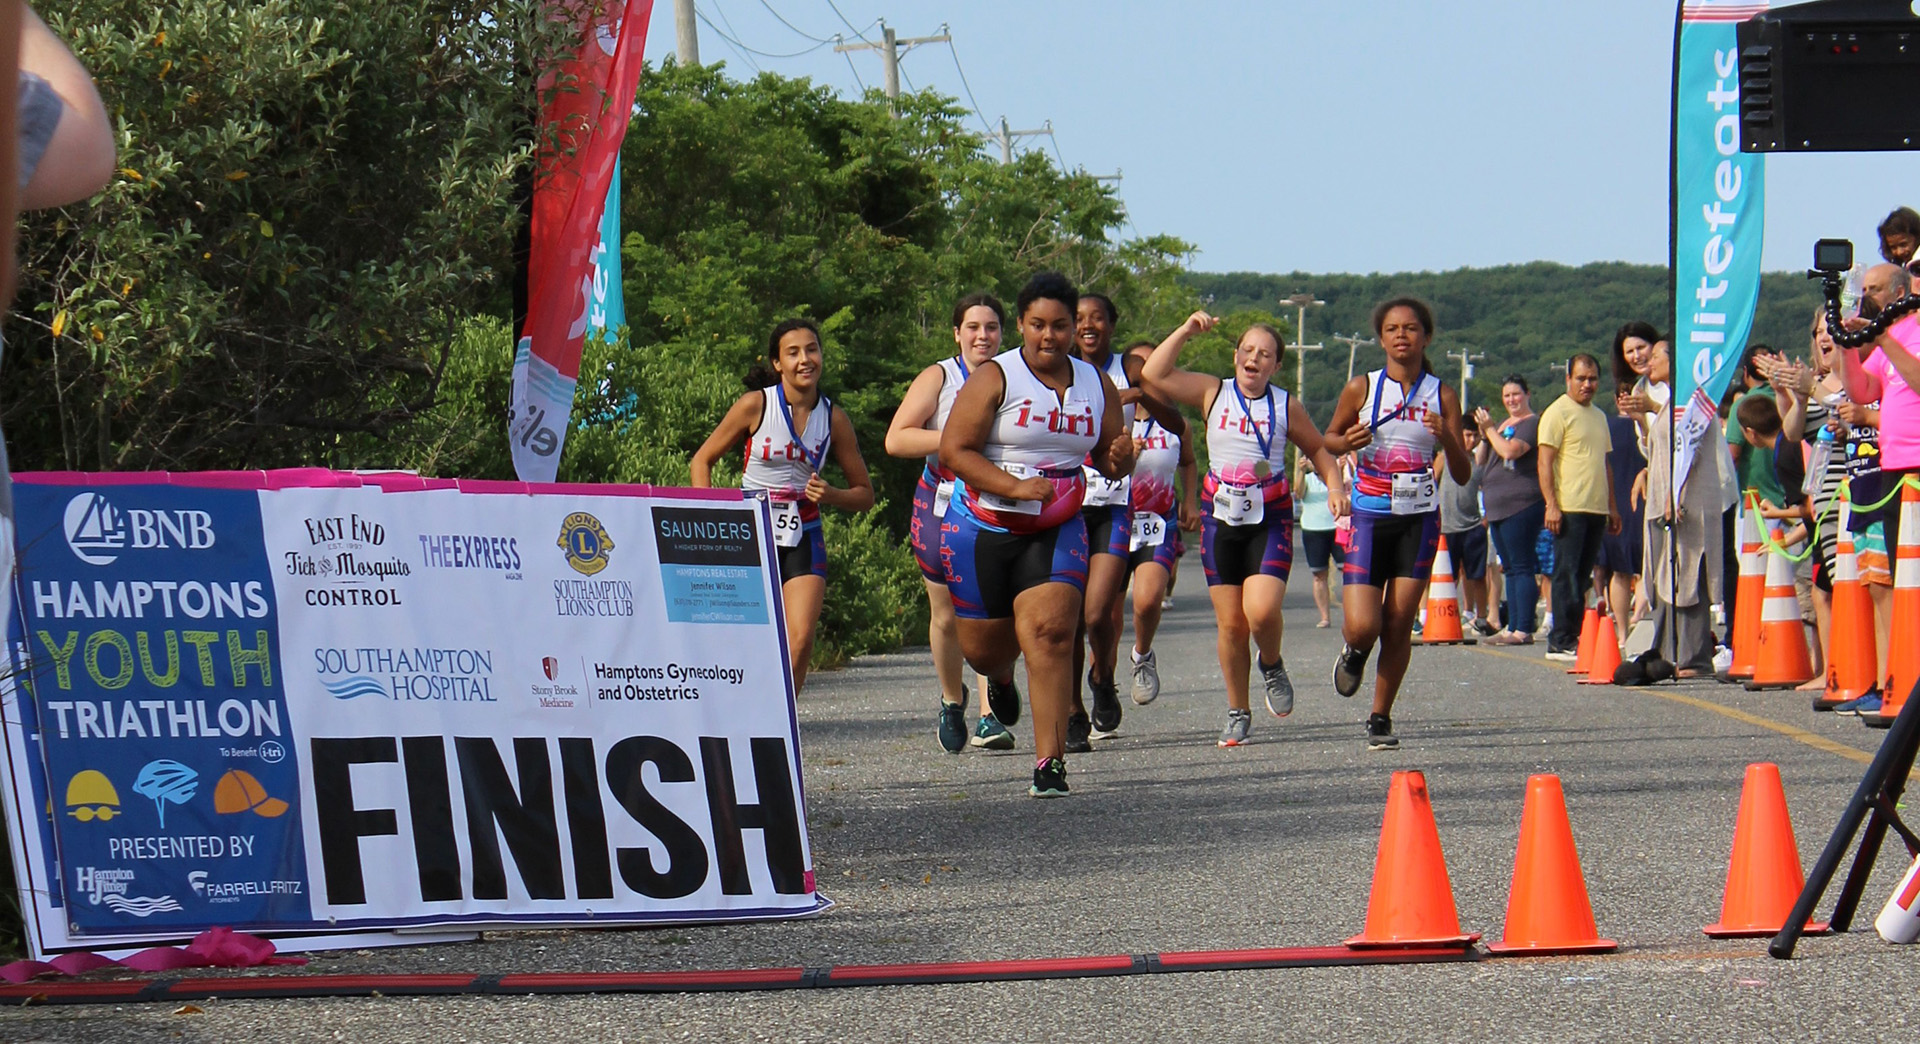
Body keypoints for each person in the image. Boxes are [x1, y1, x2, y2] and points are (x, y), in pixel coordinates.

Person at [939, 271, 1133, 797]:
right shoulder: (995, 377)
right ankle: (1001, 679)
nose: (1049, 336)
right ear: (1022, 324)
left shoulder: (1096, 383)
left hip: (1059, 520)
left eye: (1061, 326)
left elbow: (1110, 457)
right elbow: (954, 451)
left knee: (1051, 634)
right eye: (1037, 325)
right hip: (982, 523)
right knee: (984, 652)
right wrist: (1014, 486)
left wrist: (1119, 458)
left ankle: (1050, 763)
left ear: (1075, 327)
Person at [1143, 311, 1344, 746]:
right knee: (1231, 626)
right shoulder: (1214, 392)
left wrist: (1335, 486)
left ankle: (1270, 662)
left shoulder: (1284, 404)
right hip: (1222, 519)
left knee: (1262, 611)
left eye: (1265, 354)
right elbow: (1153, 373)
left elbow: (1319, 450)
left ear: (1275, 366)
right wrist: (1185, 331)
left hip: (1268, 519)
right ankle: (1238, 711)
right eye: (1248, 351)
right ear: (1236, 357)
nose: (1255, 359)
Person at [691, 318, 874, 693]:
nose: (805, 360)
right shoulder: (755, 405)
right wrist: (710, 514)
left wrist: (832, 494)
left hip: (803, 531)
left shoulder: (834, 418)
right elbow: (701, 460)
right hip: (749, 531)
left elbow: (864, 494)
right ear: (777, 363)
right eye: (793, 353)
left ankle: (783, 724)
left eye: (812, 350)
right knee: (744, 642)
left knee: (801, 639)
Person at [1322, 298, 1470, 750]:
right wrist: (1345, 440)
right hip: (1369, 515)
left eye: (1410, 328)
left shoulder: (1442, 393)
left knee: (1400, 620)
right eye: (1392, 329)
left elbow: (1462, 473)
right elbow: (1326, 440)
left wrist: (1446, 436)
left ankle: (1380, 716)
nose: (1401, 336)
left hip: (1419, 519)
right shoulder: (1361, 388)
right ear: (1381, 337)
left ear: (1426, 336)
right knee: (1363, 624)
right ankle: (1355, 650)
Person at [885, 292, 1025, 752]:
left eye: (991, 327)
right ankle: (951, 699)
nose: (982, 336)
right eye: (973, 327)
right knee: (946, 613)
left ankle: (990, 715)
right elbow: (897, 439)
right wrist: (955, 437)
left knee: (988, 606)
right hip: (941, 499)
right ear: (957, 333)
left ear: (1004, 333)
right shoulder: (939, 377)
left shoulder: (1016, 377)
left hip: (992, 502)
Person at [1066, 293, 1161, 748]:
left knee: (1099, 611)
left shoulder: (1132, 368)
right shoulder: (1056, 370)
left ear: (1111, 325)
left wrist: (1139, 393)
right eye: (1078, 319)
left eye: (1096, 318)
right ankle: (1071, 711)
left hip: (1112, 501)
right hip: (1064, 500)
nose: (1087, 326)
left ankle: (1102, 675)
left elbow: (1172, 416)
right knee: (1066, 614)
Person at [1633, 340, 1725, 676]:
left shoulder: (1692, 401)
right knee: (1664, 577)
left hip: (1687, 500)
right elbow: (1657, 448)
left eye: (1656, 355)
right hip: (1662, 501)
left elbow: (1689, 450)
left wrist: (1677, 495)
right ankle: (1667, 652)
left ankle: (1693, 656)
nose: (1649, 361)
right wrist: (1643, 416)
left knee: (1688, 575)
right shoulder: (1668, 403)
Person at [1122, 339, 1200, 706]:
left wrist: (1191, 500)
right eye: (1137, 366)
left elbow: (1188, 461)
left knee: (1148, 599)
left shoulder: (1174, 423)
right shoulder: (1111, 415)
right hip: (1114, 519)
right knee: (1100, 612)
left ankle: (1142, 655)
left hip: (1158, 520)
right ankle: (1101, 680)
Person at [1538, 354, 1622, 660]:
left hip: (1595, 507)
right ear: (1568, 379)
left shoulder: (1599, 416)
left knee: (1583, 574)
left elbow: (1605, 464)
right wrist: (1552, 505)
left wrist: (1612, 507)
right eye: (1581, 378)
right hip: (1569, 506)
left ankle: (1575, 634)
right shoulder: (1558, 412)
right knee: (1566, 573)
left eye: (1592, 379)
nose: (1587, 384)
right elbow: (1545, 461)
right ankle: (1560, 638)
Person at [1477, 376, 1545, 645]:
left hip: (1521, 503)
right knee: (1510, 568)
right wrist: (1485, 435)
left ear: (1527, 394)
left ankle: (1523, 628)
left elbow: (1510, 451)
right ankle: (1513, 625)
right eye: (1506, 396)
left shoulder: (1531, 424)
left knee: (1521, 565)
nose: (1511, 400)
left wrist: (1491, 430)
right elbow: (1482, 460)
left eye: (1516, 394)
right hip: (1497, 506)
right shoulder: (1503, 425)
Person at [1603, 323, 1656, 646]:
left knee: (1621, 572)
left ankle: (1625, 632)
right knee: (1641, 571)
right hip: (1633, 504)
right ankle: (1634, 626)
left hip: (1622, 505)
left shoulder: (1607, 426)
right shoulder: (1631, 423)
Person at [1437, 416, 1494, 636]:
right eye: (1466, 435)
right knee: (1447, 575)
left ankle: (1481, 617)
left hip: (1472, 525)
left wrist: (1485, 521)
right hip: (1447, 527)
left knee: (1476, 575)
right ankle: (1444, 614)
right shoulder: (1444, 457)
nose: (1470, 440)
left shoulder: (1480, 463)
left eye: (1474, 436)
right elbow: (1432, 481)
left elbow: (1491, 489)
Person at [1297, 450, 1345, 629]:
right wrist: (1301, 472)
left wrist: (1334, 471)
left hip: (1337, 527)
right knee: (1319, 575)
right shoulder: (1308, 479)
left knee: (1347, 571)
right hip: (1313, 529)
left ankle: (1352, 614)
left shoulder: (1336, 478)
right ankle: (1325, 617)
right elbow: (1298, 492)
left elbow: (1340, 489)